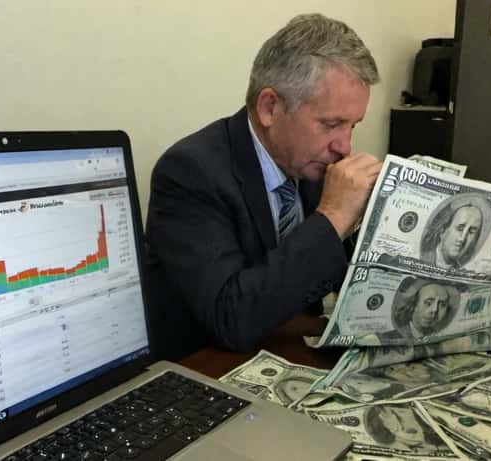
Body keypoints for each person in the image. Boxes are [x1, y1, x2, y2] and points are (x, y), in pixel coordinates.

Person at [145, 14, 382, 356]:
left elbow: (347, 286)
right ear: (270, 107)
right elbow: (230, 319)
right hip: (209, 367)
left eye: (353, 126)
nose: (344, 147)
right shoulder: (189, 172)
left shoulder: (315, 165)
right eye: (331, 124)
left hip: (290, 349)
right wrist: (331, 217)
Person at [420, 194, 491, 269]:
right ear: (443, 230)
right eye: (460, 229)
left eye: (471, 232)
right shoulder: (423, 258)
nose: (462, 238)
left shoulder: (463, 270)